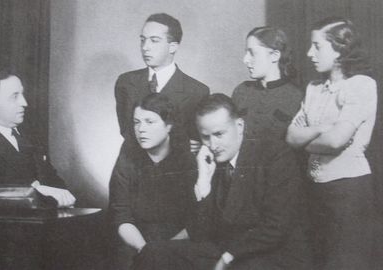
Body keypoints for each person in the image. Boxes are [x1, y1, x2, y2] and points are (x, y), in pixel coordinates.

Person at [132, 94, 312, 270]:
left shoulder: (275, 155)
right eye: (206, 137)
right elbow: (200, 233)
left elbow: (275, 227)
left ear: (239, 125)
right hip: (227, 249)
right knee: (152, 253)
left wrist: (228, 257)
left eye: (219, 134)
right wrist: (203, 183)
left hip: (274, 256)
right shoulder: (211, 161)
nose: (213, 144)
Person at [286, 17, 377, 270]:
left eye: (317, 46)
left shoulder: (361, 85)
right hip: (314, 191)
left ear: (340, 50)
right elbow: (290, 135)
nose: (309, 53)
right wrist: (321, 130)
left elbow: (336, 141)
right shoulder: (314, 88)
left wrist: (306, 140)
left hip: (349, 194)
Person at [108, 93, 196, 270]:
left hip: (179, 245)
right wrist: (146, 250)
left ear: (169, 125)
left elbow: (197, 222)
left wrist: (161, 252)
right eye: (136, 122)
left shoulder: (188, 160)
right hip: (135, 243)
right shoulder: (128, 156)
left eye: (149, 122)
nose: (141, 129)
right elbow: (121, 215)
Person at [115, 13, 209, 151]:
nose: (145, 47)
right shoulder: (125, 83)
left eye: (154, 40)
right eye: (143, 40)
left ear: (173, 47)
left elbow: (195, 143)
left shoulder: (197, 92)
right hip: (133, 169)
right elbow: (127, 133)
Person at [0, 68, 76, 208]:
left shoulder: (31, 138)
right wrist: (35, 190)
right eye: (14, 96)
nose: (24, 102)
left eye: (22, 94)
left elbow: (57, 185)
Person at [232, 26, 302, 141]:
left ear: (274, 55)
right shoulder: (241, 91)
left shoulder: (297, 96)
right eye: (246, 53)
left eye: (252, 53)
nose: (245, 60)